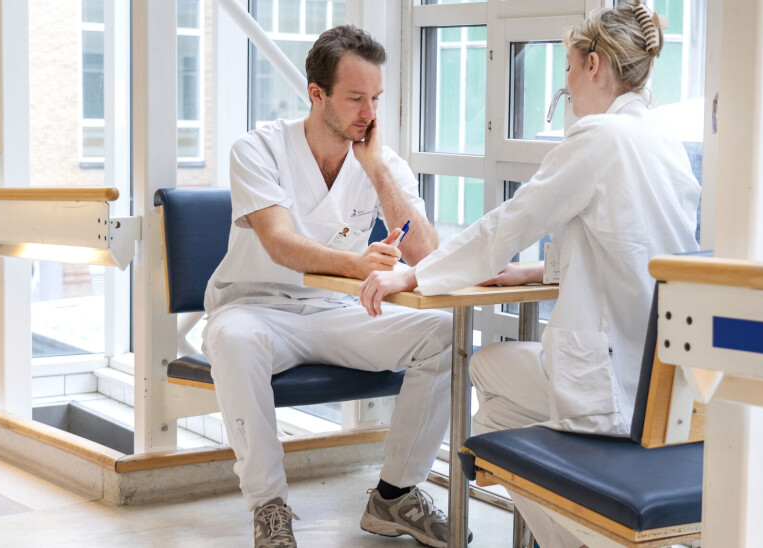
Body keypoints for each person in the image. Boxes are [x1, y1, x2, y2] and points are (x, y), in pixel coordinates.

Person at [359, 2, 700, 546]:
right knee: (498, 397)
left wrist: (416, 276)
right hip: (667, 380)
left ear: (593, 65)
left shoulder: (599, 136)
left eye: (567, 73)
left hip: (615, 386)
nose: (568, 92)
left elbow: (509, 223)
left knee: (491, 406)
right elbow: (632, 244)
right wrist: (536, 271)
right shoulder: (663, 141)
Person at [202, 25, 457, 548]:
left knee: (445, 332)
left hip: (334, 310)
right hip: (255, 309)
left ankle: (394, 496)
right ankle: (269, 506)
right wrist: (359, 267)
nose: (369, 113)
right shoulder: (258, 149)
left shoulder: (380, 160)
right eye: (356, 98)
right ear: (316, 94)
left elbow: (426, 254)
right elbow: (279, 243)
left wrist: (377, 170)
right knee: (233, 340)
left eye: (376, 98)